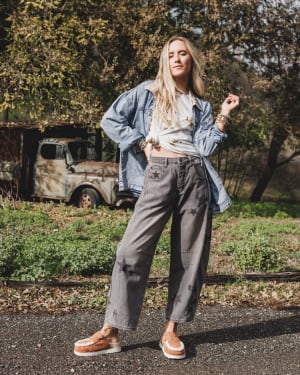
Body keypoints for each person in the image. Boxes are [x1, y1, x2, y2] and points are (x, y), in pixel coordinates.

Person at [74, 36, 239, 360]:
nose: (177, 59)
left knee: (190, 258)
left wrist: (223, 114)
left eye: (182, 54)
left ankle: (171, 330)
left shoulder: (200, 104)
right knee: (131, 250)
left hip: (195, 177)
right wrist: (142, 143)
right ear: (165, 61)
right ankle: (111, 331)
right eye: (171, 54)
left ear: (191, 61)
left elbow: (205, 147)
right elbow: (111, 119)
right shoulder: (148, 91)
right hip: (159, 173)